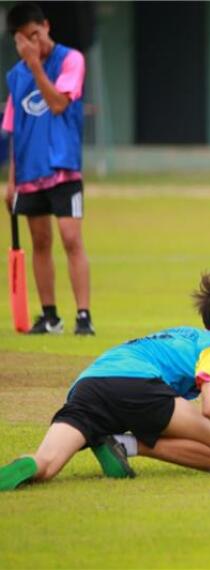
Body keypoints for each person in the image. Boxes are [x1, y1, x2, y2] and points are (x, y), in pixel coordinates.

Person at [0, 258, 210, 491]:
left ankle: (41, 461)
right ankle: (128, 444)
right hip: (138, 386)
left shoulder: (183, 333)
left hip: (88, 385)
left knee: (46, 465)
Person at [3, 2, 94, 335]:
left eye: (32, 37)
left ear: (45, 27)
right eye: (20, 40)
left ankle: (83, 315)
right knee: (40, 241)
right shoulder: (15, 76)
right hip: (30, 172)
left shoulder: (71, 60)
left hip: (63, 167)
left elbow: (57, 104)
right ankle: (50, 315)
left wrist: (36, 67)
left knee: (71, 238)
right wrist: (11, 182)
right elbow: (14, 129)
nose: (28, 46)